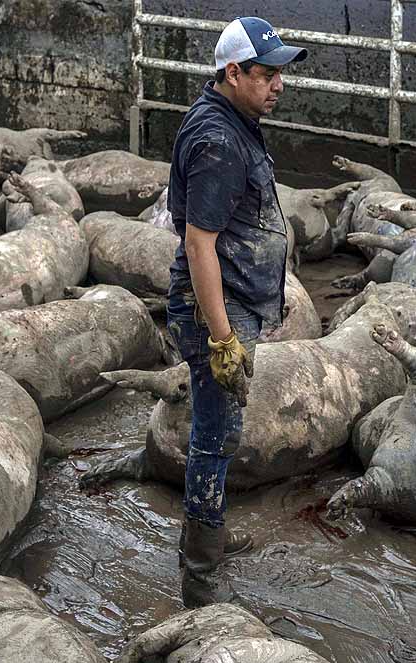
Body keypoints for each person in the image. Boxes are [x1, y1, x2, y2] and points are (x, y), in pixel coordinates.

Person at [165, 17, 307, 607]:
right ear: (233, 72)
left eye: (280, 75)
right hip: (215, 309)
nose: (278, 85)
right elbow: (200, 243)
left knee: (219, 429)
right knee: (214, 435)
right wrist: (222, 338)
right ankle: (200, 575)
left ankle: (207, 538)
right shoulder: (219, 141)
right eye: (267, 74)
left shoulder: (234, 123)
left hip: (234, 301)